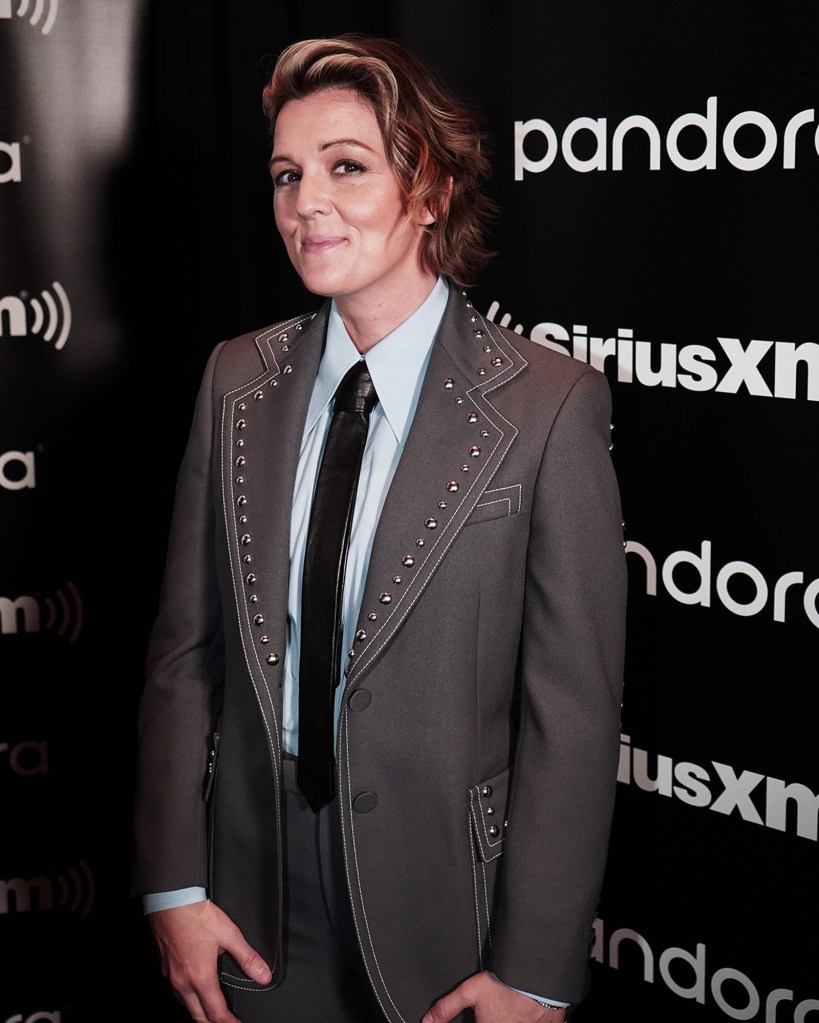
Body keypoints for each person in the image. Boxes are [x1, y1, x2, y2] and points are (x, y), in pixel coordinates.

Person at [132, 33, 627, 1023]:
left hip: (451, 912)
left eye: (346, 166)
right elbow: (185, 652)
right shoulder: (234, 378)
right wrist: (173, 885)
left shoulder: (549, 405)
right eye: (286, 175)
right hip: (253, 896)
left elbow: (572, 716)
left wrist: (534, 969)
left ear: (431, 191)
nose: (305, 202)